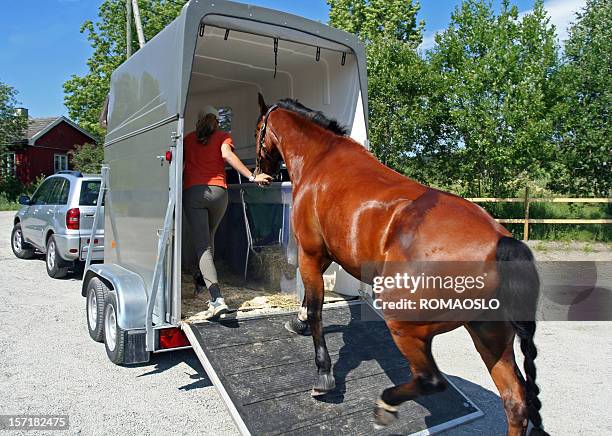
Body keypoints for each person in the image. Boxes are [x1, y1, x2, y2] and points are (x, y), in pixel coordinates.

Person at [183, 106, 272, 319]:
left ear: (198, 121)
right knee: (209, 239)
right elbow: (226, 156)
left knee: (202, 245)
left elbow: (179, 165)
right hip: (219, 193)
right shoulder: (223, 136)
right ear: (216, 121)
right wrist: (252, 177)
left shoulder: (187, 139)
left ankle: (216, 299)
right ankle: (200, 277)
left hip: (194, 192)